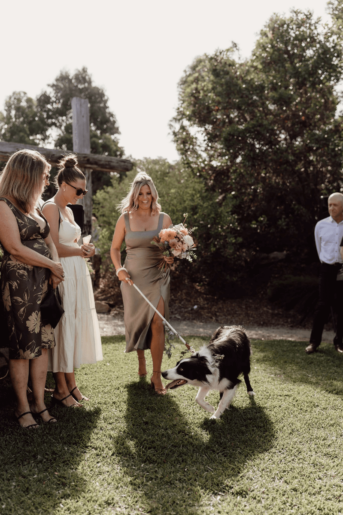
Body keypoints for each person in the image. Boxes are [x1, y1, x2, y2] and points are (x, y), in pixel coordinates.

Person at [0, 150, 65, 428]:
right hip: (20, 282)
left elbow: (50, 242)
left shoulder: (35, 207)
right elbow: (14, 248)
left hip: (44, 282)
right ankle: (23, 408)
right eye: (44, 175)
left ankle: (40, 404)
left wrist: (56, 267)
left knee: (42, 344)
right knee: (23, 346)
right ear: (27, 174)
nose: (47, 179)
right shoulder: (3, 205)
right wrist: (51, 266)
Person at [42, 155, 103, 407]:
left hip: (77, 271)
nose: (82, 194)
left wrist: (86, 250)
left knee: (74, 325)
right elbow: (53, 246)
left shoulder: (68, 210)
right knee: (63, 327)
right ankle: (60, 388)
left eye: (84, 190)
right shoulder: (50, 208)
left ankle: (72, 384)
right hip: (62, 272)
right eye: (79, 190)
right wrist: (79, 251)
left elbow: (73, 243)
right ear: (64, 185)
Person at [110, 172, 173, 395]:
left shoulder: (164, 218)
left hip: (158, 276)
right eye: (141, 194)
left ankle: (157, 376)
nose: (145, 198)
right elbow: (115, 248)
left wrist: (172, 257)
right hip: (132, 277)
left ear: (153, 194)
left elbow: (172, 248)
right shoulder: (124, 218)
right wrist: (119, 268)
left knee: (157, 322)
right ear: (134, 195)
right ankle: (141, 360)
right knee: (137, 322)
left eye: (148, 193)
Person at [306, 193, 343, 354]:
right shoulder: (320, 225)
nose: (331, 208)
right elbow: (319, 248)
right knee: (322, 306)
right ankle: (314, 342)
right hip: (327, 269)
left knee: (342, 307)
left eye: (335, 205)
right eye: (329, 204)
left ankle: (339, 342)